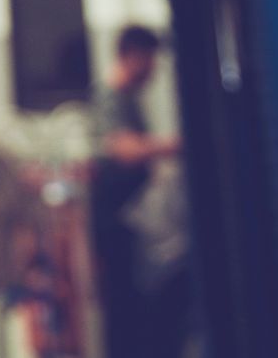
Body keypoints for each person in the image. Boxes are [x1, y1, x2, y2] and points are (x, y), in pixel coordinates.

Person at [89, 24, 180, 358]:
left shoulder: (128, 99)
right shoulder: (110, 96)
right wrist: (175, 146)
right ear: (133, 56)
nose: (154, 69)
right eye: (151, 59)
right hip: (114, 222)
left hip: (129, 219)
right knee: (123, 304)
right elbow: (124, 150)